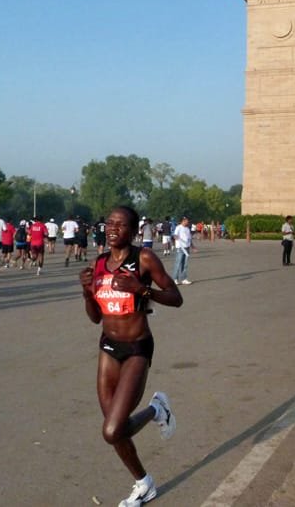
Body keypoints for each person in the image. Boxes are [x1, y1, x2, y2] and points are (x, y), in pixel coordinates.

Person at [78, 206, 183, 507]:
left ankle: (155, 410)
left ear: (134, 230)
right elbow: (95, 318)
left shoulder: (144, 259)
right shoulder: (99, 263)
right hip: (108, 347)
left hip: (137, 346)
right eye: (109, 223)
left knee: (112, 430)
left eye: (120, 225)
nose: (112, 229)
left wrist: (141, 290)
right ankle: (144, 484)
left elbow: (176, 298)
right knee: (116, 431)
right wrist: (87, 293)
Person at [172, 216, 194, 285]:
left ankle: (184, 279)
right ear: (183, 221)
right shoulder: (178, 227)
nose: (188, 222)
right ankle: (175, 279)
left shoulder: (187, 228)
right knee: (178, 263)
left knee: (185, 264)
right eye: (187, 220)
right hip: (180, 248)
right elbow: (174, 235)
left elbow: (189, 239)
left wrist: (193, 246)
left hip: (187, 248)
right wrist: (176, 237)